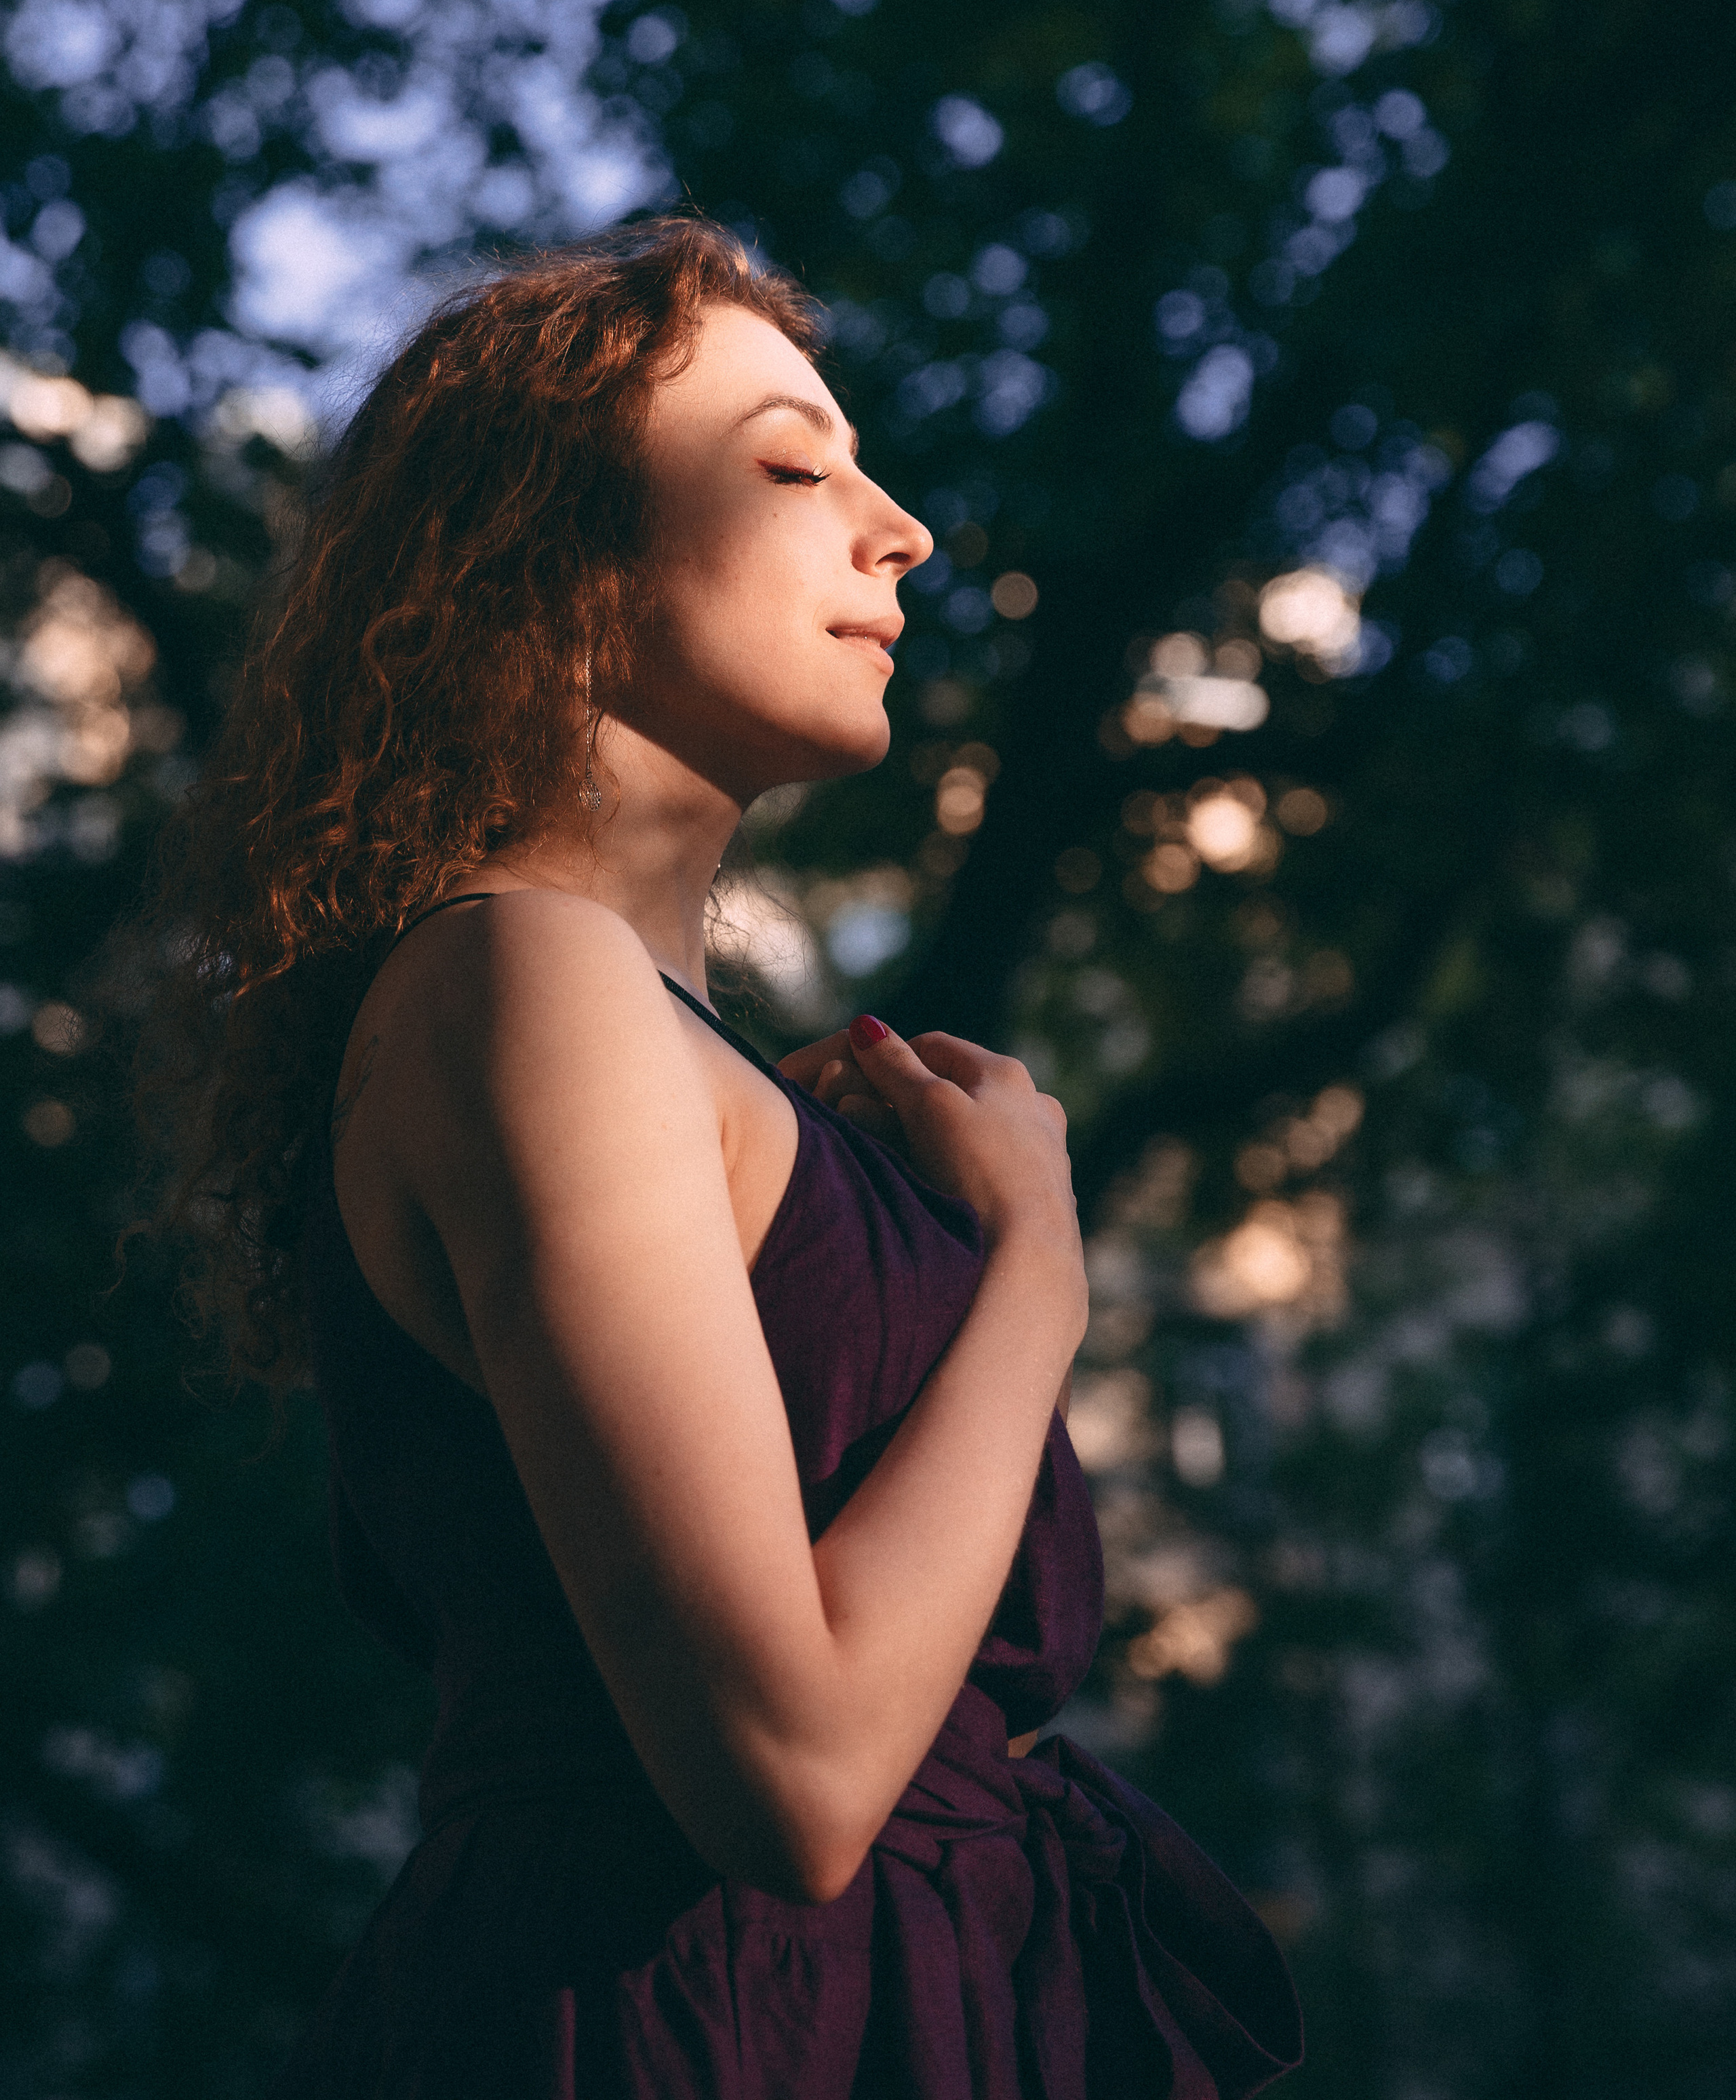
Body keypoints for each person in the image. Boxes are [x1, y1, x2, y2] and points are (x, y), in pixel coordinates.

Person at [137, 216, 1303, 2097]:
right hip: (699, 2028)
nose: (902, 526)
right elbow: (800, 1776)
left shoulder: (653, 1046)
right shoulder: (521, 977)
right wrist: (1039, 1273)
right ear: (549, 561)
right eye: (791, 465)